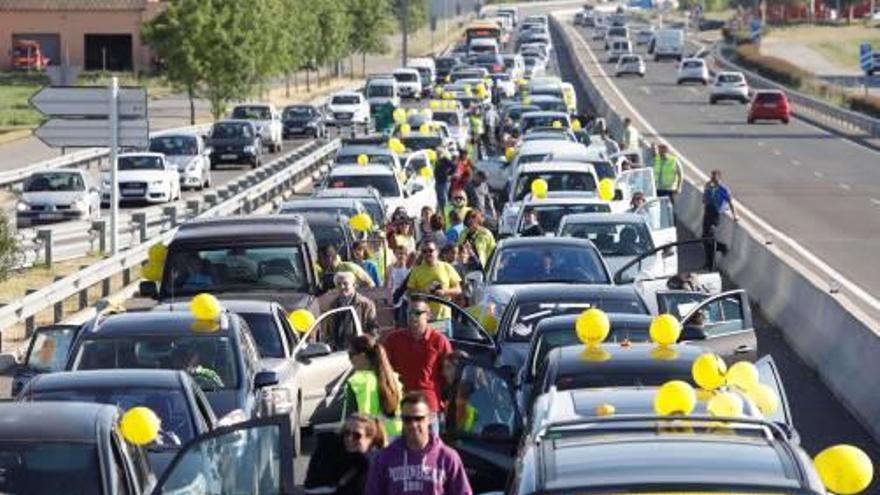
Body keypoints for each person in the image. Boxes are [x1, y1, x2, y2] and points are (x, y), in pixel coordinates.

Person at [365, 392, 472, 495]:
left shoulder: (448, 458)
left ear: (430, 419)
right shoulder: (384, 458)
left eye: (419, 418)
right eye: (407, 419)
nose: (413, 424)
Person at [382, 297, 453, 421]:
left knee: (431, 441)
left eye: (417, 313)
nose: (413, 317)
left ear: (428, 315)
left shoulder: (439, 340)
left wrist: (448, 402)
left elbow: (450, 375)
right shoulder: (393, 339)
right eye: (409, 312)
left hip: (429, 407)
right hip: (401, 406)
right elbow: (383, 370)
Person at [305, 413, 387, 495]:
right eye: (347, 433)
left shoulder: (377, 466)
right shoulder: (328, 455)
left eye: (356, 435)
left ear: (371, 439)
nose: (349, 438)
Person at [344, 335, 403, 436]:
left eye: (351, 354)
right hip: (396, 440)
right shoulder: (393, 379)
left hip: (369, 442)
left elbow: (349, 421)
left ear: (362, 356)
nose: (349, 359)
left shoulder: (357, 382)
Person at [406, 241, 462, 321]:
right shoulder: (416, 270)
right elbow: (409, 293)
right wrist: (424, 291)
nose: (428, 253)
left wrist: (444, 292)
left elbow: (458, 290)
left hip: (444, 317)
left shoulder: (446, 267)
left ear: (437, 252)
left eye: (430, 250)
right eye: (424, 251)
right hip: (424, 318)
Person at [326, 272, 379, 345]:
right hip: (339, 349)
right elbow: (329, 331)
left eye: (345, 283)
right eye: (339, 284)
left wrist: (367, 345)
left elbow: (373, 329)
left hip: (359, 348)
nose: (342, 287)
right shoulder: (333, 305)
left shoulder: (366, 304)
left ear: (354, 285)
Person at [702, 169, 738, 266]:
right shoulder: (709, 187)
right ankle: (708, 261)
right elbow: (704, 200)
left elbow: (730, 202)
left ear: (719, 178)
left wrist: (734, 214)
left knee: (709, 237)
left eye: (715, 178)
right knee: (705, 239)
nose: (713, 179)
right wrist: (706, 189)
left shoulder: (724, 189)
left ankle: (721, 248)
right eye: (712, 177)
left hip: (715, 213)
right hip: (707, 211)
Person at [386, 245, 412, 323]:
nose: (401, 256)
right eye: (399, 253)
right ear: (395, 254)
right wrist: (389, 299)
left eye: (403, 254)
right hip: (395, 298)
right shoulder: (390, 268)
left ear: (407, 255)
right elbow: (388, 284)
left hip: (407, 298)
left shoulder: (410, 268)